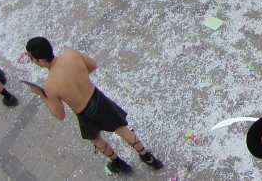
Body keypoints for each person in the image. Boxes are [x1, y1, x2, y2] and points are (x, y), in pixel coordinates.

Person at [24, 37, 163, 174]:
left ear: (41, 61)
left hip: (84, 113)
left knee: (95, 139)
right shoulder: (71, 53)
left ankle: (119, 163)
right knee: (122, 129)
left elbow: (60, 115)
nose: (33, 61)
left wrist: (42, 94)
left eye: (32, 59)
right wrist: (80, 77)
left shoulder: (50, 86)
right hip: (98, 99)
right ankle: (148, 158)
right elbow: (93, 65)